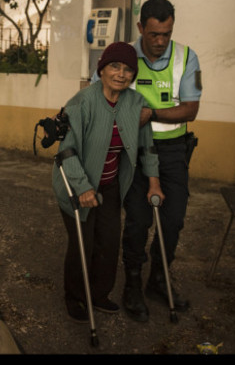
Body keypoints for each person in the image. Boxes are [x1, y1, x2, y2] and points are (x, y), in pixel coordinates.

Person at [52, 42, 164, 323]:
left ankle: (99, 294)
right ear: (102, 69)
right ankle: (74, 295)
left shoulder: (136, 103)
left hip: (111, 186)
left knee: (109, 243)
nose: (121, 74)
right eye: (115, 66)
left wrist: (154, 183)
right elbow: (66, 151)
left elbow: (147, 147)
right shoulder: (82, 102)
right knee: (83, 244)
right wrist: (83, 188)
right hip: (76, 185)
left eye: (128, 69)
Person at [121, 0, 202, 322]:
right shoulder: (124, 56)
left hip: (172, 152)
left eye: (166, 34)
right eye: (153, 34)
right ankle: (132, 283)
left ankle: (158, 278)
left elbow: (190, 110)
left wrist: (151, 112)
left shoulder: (186, 57)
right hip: (133, 152)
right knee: (138, 220)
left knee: (173, 220)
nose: (159, 41)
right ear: (141, 27)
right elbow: (103, 96)